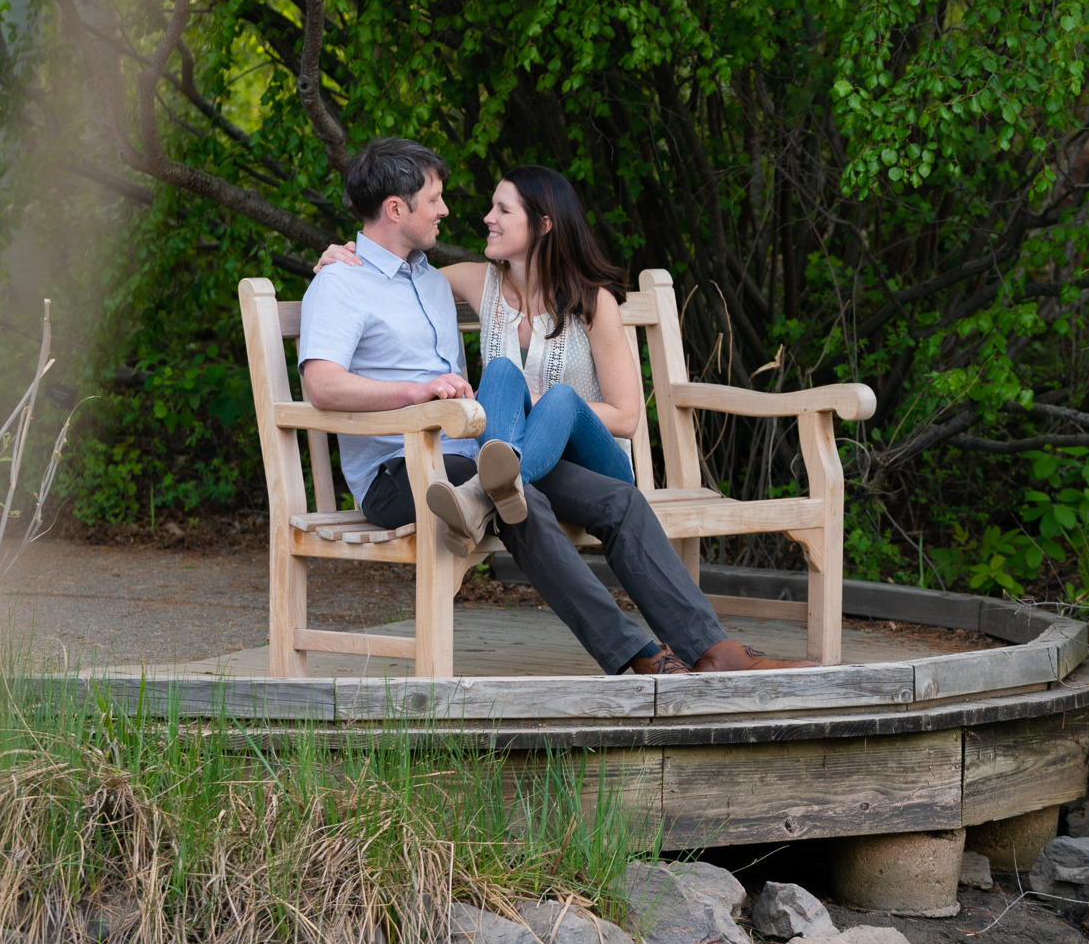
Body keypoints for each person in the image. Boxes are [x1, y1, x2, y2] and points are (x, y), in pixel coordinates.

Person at [300, 138, 811, 675]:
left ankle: (714, 651)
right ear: (396, 208)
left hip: (476, 455)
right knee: (521, 499)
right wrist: (412, 391)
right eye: (435, 199)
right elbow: (323, 386)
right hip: (400, 469)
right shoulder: (342, 283)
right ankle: (637, 655)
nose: (449, 210)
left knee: (617, 500)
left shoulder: (431, 281)